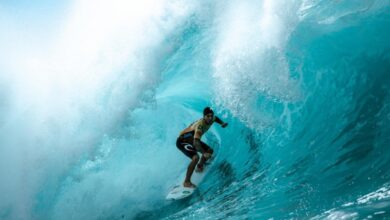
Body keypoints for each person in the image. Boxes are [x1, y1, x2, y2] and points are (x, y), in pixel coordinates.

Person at [176, 107, 228, 188]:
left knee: (210, 150)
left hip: (191, 139)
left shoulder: (211, 119)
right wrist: (204, 153)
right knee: (196, 157)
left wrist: (222, 123)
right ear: (204, 116)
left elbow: (215, 118)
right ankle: (186, 182)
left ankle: (199, 166)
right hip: (182, 140)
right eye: (208, 116)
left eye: (211, 116)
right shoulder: (200, 126)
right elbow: (196, 142)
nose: (210, 118)